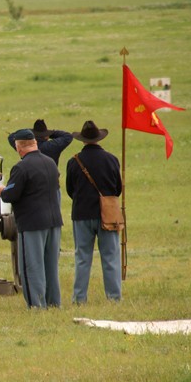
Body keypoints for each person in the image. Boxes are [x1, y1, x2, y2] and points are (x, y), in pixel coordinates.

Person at [0, 129, 63, 308]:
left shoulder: (21, 167)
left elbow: (11, 194)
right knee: (50, 266)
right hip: (54, 221)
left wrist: (3, 191)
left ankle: (36, 304)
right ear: (34, 144)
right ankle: (54, 303)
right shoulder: (50, 162)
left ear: (19, 147)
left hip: (33, 223)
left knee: (31, 266)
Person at [65, 120, 122, 303]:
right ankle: (113, 298)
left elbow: (69, 189)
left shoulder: (73, 161)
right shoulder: (111, 159)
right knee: (110, 257)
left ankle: (79, 298)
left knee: (82, 258)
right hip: (108, 215)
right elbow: (117, 188)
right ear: (99, 138)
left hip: (81, 214)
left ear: (82, 140)